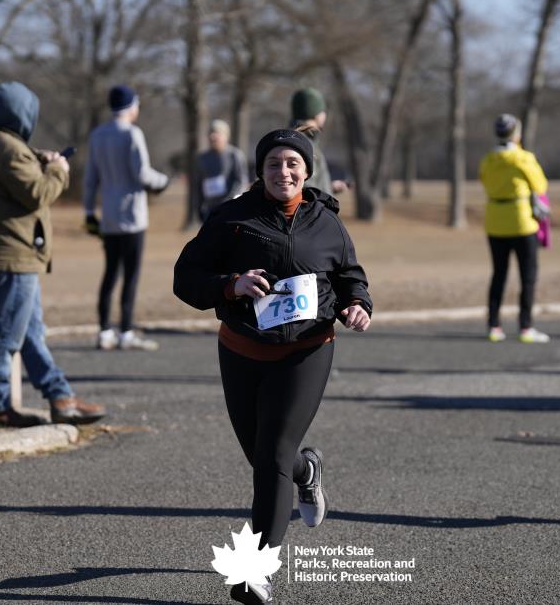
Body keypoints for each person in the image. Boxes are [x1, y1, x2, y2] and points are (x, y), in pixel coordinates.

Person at [174, 129, 371, 604]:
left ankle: (255, 571)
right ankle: (308, 471)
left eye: (292, 163)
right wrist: (231, 284)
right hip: (242, 351)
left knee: (272, 459)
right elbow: (186, 278)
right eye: (273, 164)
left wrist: (358, 304)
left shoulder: (326, 222)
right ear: (260, 171)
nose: (283, 171)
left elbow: (350, 276)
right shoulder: (231, 218)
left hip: (307, 350)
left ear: (307, 171)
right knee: (266, 458)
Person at [0, 81, 105, 428]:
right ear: (22, 113)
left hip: (5, 256)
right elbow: (38, 193)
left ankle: (60, 396)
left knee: (29, 334)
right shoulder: (9, 149)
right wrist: (58, 169)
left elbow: (19, 180)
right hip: (13, 258)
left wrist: (39, 159)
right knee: (5, 336)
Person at [84, 85, 169, 351]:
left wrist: (89, 212)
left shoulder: (97, 135)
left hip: (109, 216)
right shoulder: (132, 133)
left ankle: (104, 331)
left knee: (110, 273)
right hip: (132, 215)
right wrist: (163, 181)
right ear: (131, 106)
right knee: (130, 276)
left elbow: (90, 178)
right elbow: (142, 173)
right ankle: (125, 332)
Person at [479, 113, 550, 344]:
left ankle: (494, 326)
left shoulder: (488, 159)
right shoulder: (524, 158)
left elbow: (484, 181)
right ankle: (525, 327)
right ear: (516, 134)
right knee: (528, 276)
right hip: (522, 222)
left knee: (498, 275)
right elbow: (541, 185)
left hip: (494, 222)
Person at [289, 87, 347, 196]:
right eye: (323, 111)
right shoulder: (304, 145)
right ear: (316, 114)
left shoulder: (291, 139)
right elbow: (305, 191)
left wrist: (328, 188)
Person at [197, 119, 249, 221]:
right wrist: (199, 206)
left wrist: (233, 201)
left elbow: (242, 181)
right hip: (210, 210)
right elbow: (199, 184)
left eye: (217, 133)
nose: (213, 136)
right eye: (210, 133)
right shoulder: (203, 158)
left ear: (225, 136)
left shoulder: (234, 155)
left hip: (231, 208)